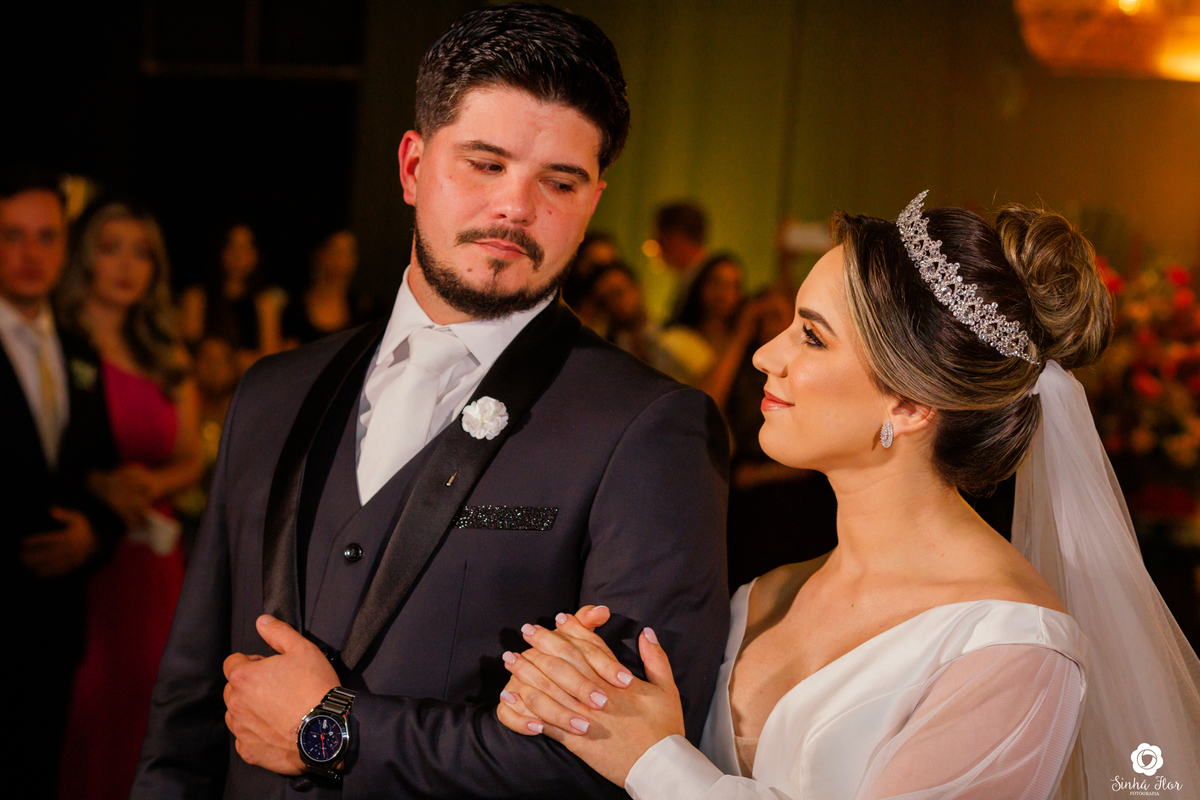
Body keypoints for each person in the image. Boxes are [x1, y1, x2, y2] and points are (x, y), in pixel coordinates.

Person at [132, 5, 729, 799]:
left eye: (559, 182)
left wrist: (333, 728)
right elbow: (186, 716)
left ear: (592, 202)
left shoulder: (648, 429)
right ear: (413, 167)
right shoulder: (273, 394)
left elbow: (626, 763)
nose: (515, 207)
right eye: (485, 165)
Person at [495, 193, 1200, 797]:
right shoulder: (762, 596)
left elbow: (654, 761)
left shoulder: (1015, 649)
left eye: (811, 336)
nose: (765, 354)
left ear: (909, 405)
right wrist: (563, 698)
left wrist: (654, 762)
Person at [55, 200, 203, 800]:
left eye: (141, 253)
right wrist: (100, 487)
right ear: (85, 258)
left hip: (153, 559)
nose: (125, 265)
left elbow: (192, 456)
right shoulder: (58, 343)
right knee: (83, 704)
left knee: (148, 700)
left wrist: (154, 485)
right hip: (85, 553)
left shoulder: (165, 352)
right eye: (110, 248)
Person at [0, 168, 123, 800]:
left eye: (46, 236)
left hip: (55, 627)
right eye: (12, 236)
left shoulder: (79, 351)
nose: (31, 253)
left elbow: (104, 476)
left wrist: (93, 536)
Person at [180, 222, 286, 371]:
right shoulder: (197, 296)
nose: (238, 255)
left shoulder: (265, 302)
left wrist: (232, 359)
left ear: (257, 254)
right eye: (232, 246)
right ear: (220, 250)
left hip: (246, 381)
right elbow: (186, 351)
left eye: (246, 247)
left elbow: (270, 361)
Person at [283, 229, 376, 347]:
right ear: (319, 254)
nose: (342, 260)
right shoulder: (295, 307)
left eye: (349, 253)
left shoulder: (364, 307)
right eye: (336, 252)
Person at [655, 201, 710, 322]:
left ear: (675, 236)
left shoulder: (708, 283)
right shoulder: (688, 279)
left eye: (660, 237)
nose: (658, 244)